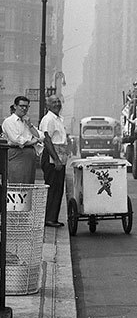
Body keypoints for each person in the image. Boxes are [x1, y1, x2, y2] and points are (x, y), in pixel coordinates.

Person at [39, 94, 70, 226]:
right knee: (52, 187)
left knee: (58, 188)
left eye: (58, 101)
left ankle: (53, 217)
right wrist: (56, 159)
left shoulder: (58, 119)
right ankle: (49, 218)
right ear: (47, 105)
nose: (57, 104)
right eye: (53, 102)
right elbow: (47, 140)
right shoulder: (48, 119)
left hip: (59, 157)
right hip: (52, 158)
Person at [2, 95, 44, 184]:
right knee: (17, 183)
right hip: (17, 154)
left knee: (28, 183)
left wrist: (30, 125)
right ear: (15, 106)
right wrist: (33, 141)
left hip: (29, 156)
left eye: (26, 106)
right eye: (21, 106)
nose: (24, 109)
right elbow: (16, 139)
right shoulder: (9, 121)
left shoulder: (26, 122)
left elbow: (40, 136)